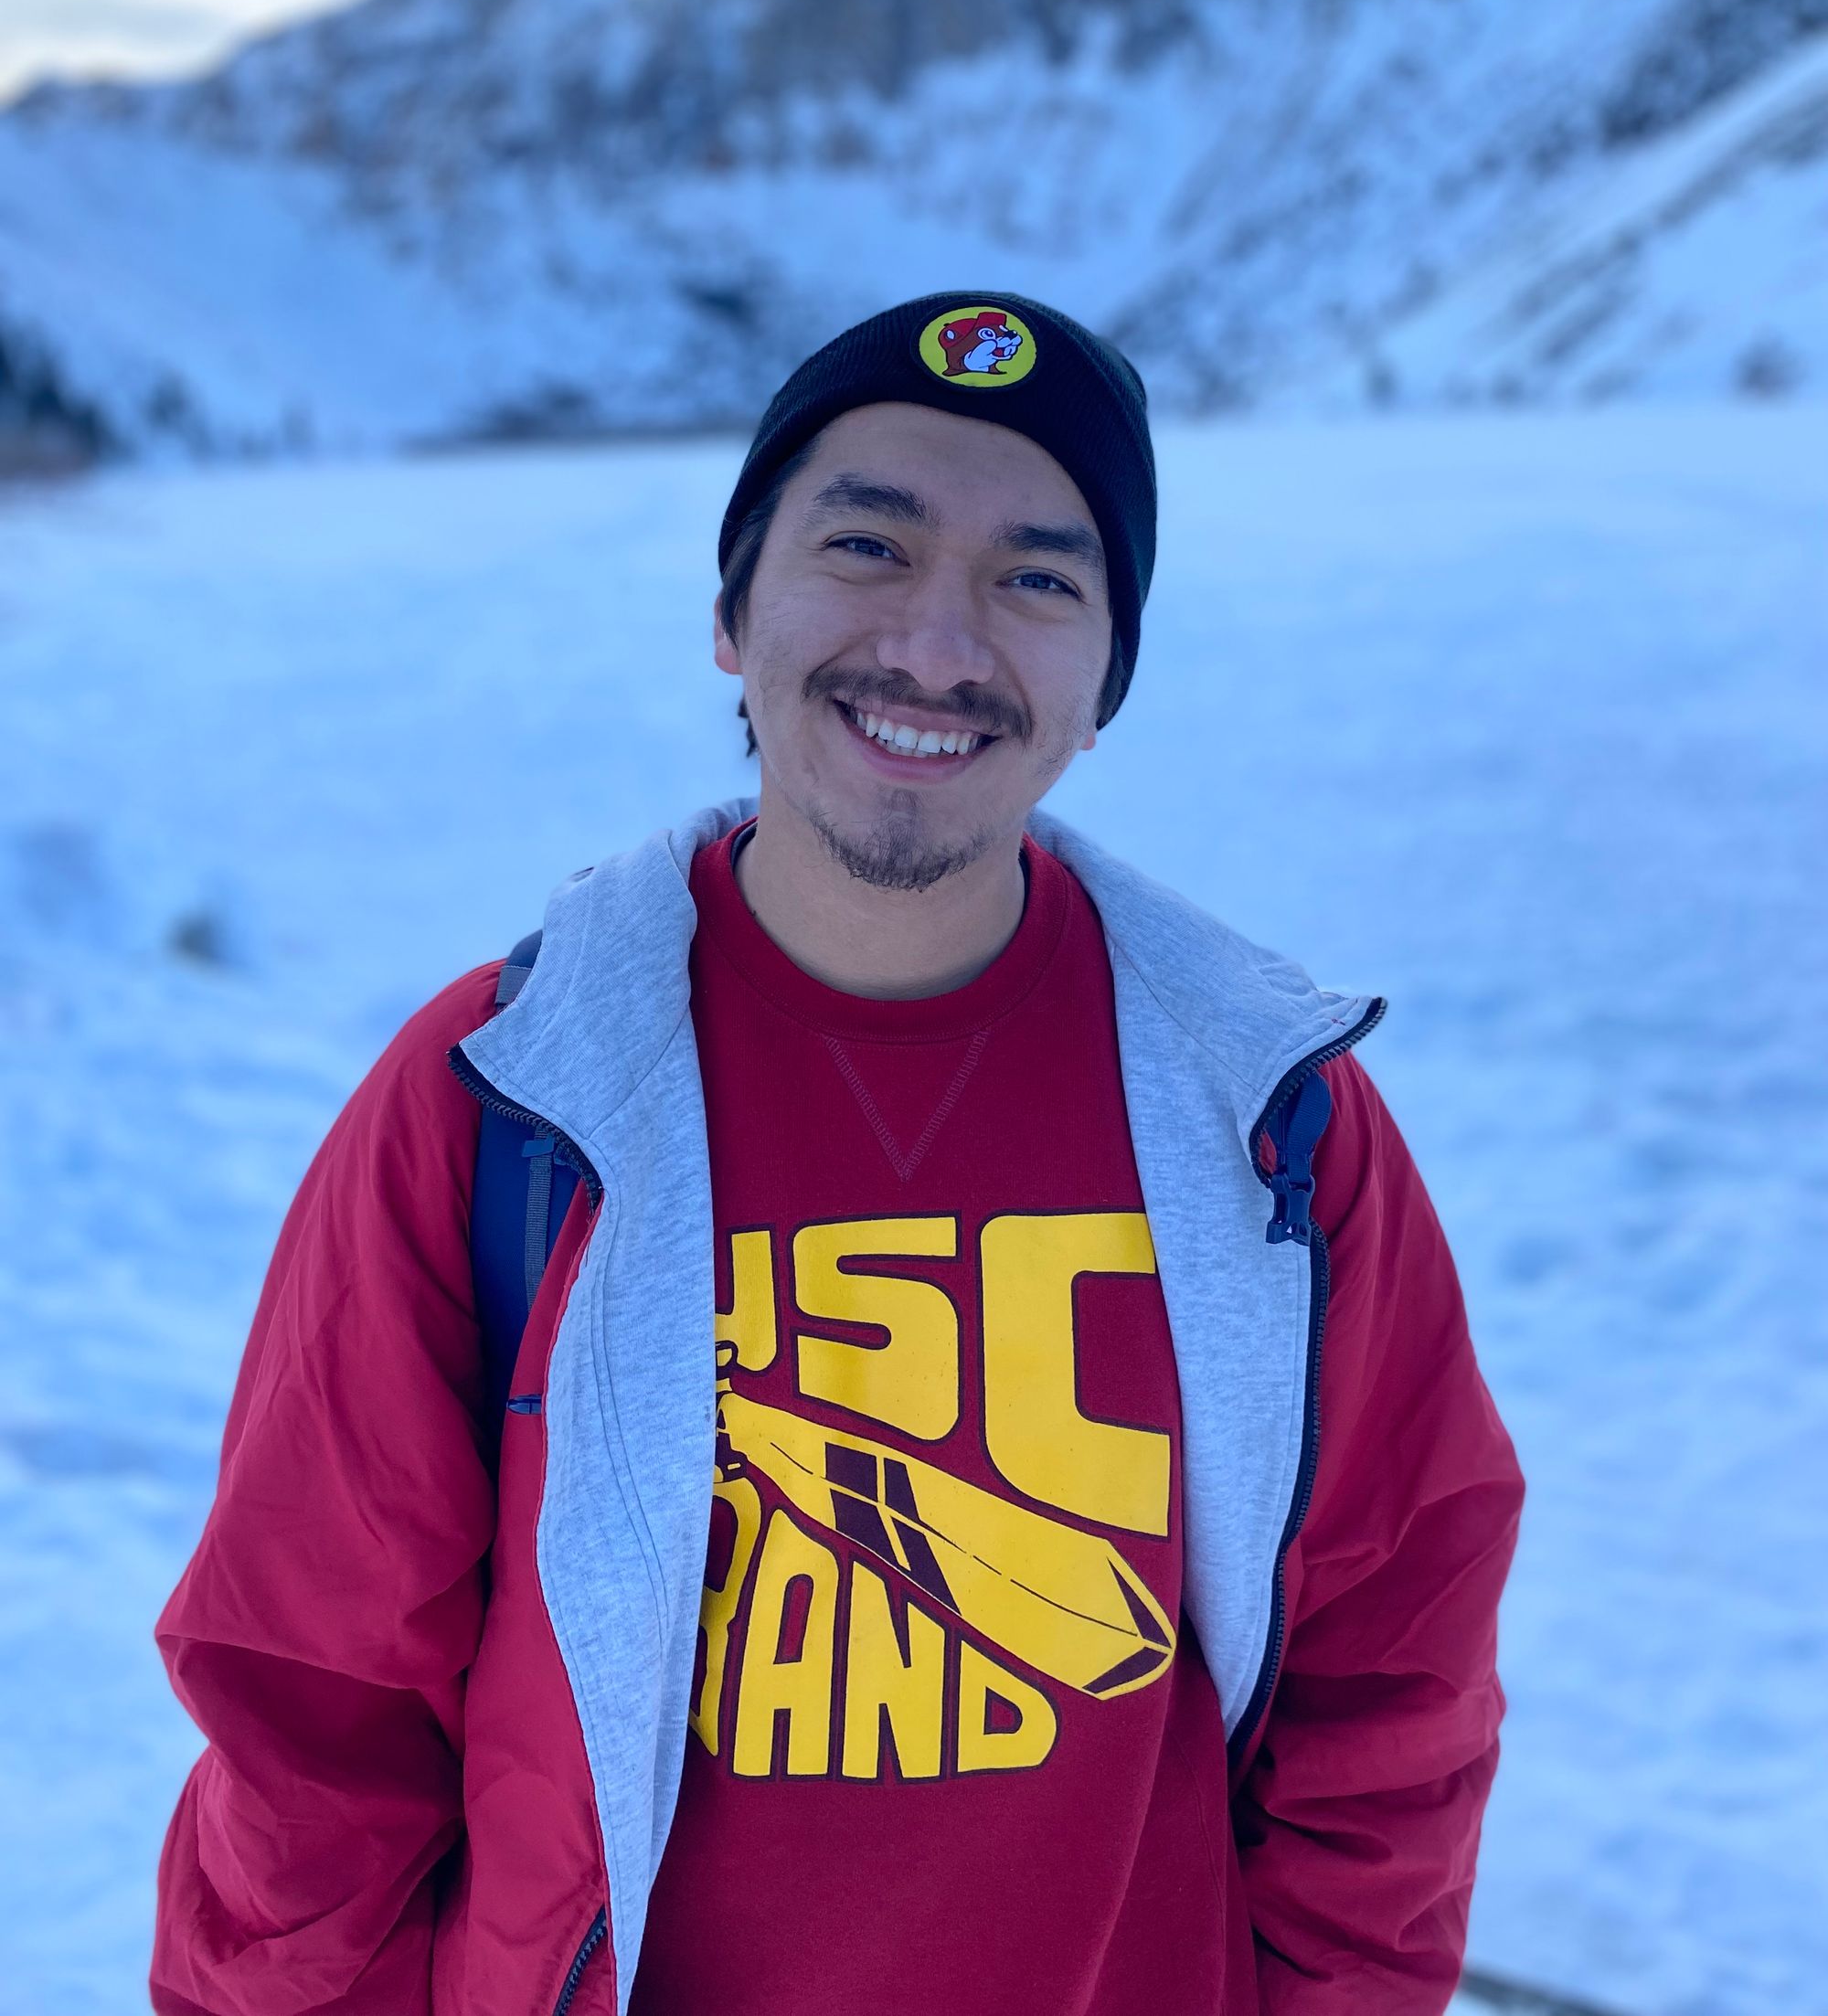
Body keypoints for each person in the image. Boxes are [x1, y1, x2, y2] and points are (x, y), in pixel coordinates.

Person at [151, 292, 1524, 2016]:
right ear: (733, 614)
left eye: (1037, 578)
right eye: (866, 543)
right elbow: (313, 1718)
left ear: (1106, 683)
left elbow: (1389, 1684)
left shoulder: (1271, 1126)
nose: (938, 648)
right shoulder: (497, 1104)